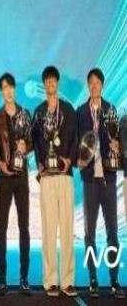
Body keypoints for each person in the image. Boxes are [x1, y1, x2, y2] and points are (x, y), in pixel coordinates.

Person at [76, 68, 124, 299]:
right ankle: (93, 279)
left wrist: (118, 146)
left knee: (112, 231)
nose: (94, 86)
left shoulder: (111, 110)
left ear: (102, 86)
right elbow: (75, 143)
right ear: (88, 86)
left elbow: (120, 141)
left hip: (109, 178)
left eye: (98, 82)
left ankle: (114, 280)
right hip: (89, 179)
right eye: (91, 82)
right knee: (89, 233)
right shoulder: (80, 113)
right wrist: (77, 159)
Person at [31, 66, 77, 297]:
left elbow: (75, 138)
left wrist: (69, 160)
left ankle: (67, 281)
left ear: (57, 83)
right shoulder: (38, 112)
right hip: (47, 177)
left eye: (53, 80)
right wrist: (39, 163)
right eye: (47, 80)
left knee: (67, 228)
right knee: (49, 229)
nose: (50, 84)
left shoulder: (68, 109)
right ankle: (50, 280)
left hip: (65, 175)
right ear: (44, 84)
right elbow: (35, 142)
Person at [0, 73, 32, 295]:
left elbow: (33, 142)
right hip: (5, 179)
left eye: (10, 87)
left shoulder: (25, 114)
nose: (8, 91)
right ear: (1, 92)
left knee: (24, 227)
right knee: (1, 228)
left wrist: (26, 146)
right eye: (4, 88)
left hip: (22, 176)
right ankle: (2, 279)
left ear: (15, 89)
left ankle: (24, 278)